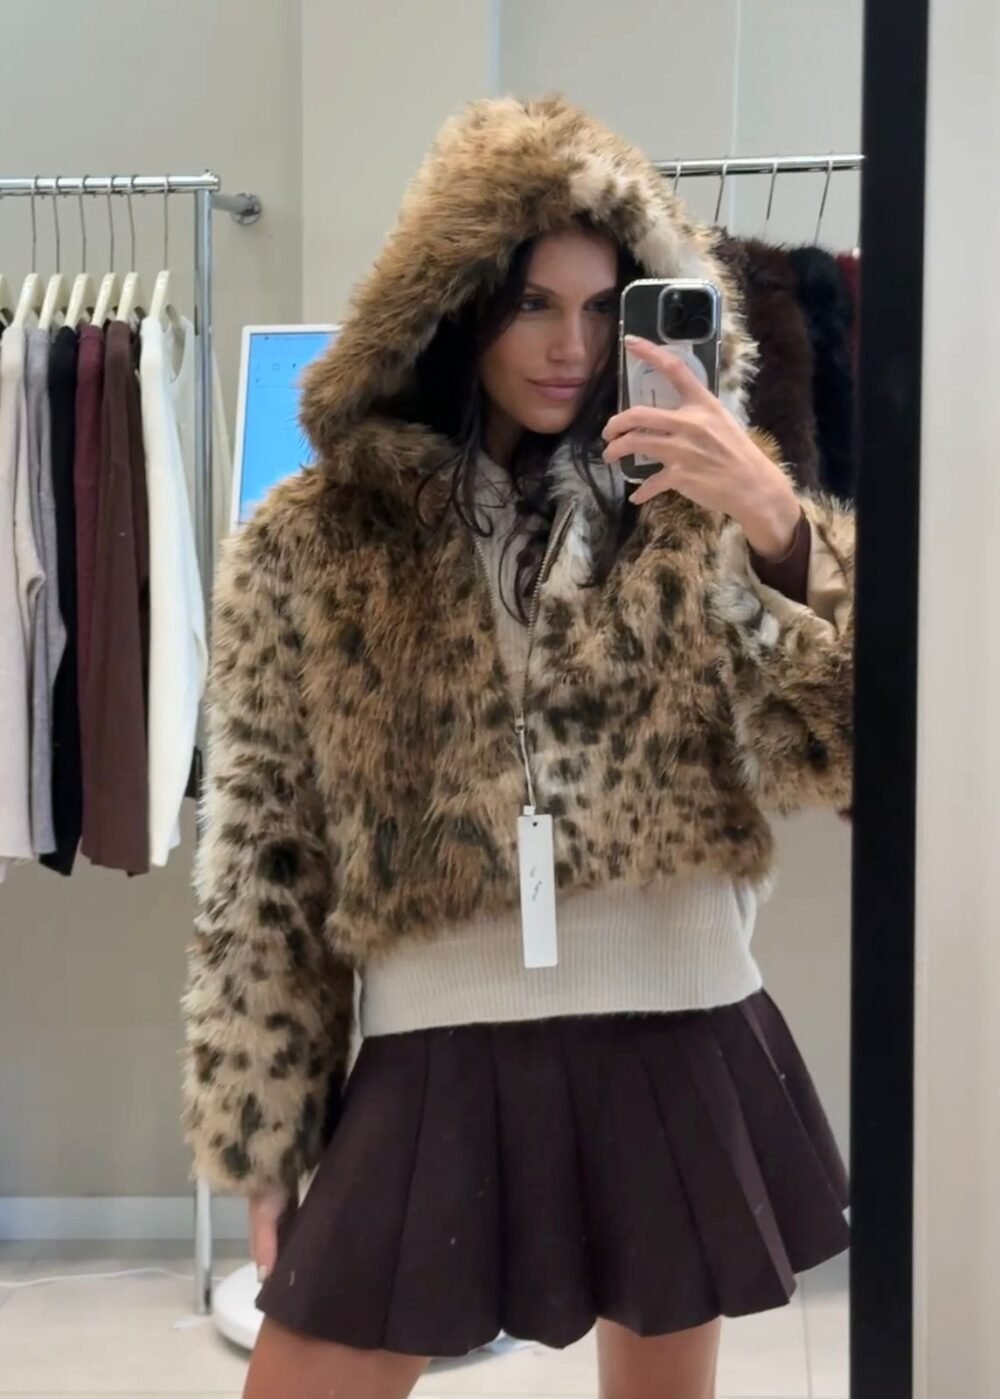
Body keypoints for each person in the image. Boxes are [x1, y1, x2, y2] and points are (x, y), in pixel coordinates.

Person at [182, 95, 853, 1399]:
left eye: (604, 308)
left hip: (676, 1017)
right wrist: (269, 1134)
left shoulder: (699, 507)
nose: (572, 346)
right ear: (451, 306)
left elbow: (844, 757)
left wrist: (778, 525)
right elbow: (267, 849)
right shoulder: (312, 538)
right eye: (532, 304)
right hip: (439, 1032)